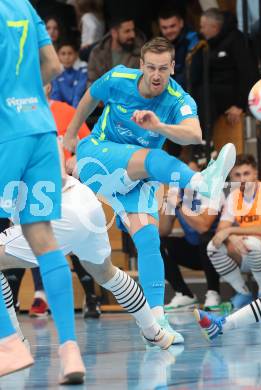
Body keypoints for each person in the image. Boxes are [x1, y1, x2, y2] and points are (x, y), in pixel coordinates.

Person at [64, 37, 237, 344]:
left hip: (139, 176)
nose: (157, 75)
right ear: (141, 66)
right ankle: (200, 183)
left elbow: (194, 134)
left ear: (173, 67)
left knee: (148, 239)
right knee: (154, 158)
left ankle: (155, 325)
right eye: (151, 68)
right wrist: (70, 136)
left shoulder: (176, 98)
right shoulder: (118, 78)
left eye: (163, 68)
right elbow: (91, 97)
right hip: (98, 155)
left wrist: (158, 127)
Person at [0, 0, 84, 382]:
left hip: (6, 135)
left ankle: (9, 343)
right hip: (41, 128)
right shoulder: (23, 6)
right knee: (43, 238)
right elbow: (52, 65)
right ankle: (69, 351)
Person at [0, 174, 176, 350]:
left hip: (57, 212)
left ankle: (15, 345)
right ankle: (154, 331)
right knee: (106, 273)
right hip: (84, 201)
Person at [207, 154, 261, 309]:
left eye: (246, 173)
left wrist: (231, 231)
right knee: (213, 247)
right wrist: (231, 236)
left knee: (250, 243)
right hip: (248, 249)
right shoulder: (233, 196)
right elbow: (221, 229)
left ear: (255, 173)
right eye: (237, 175)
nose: (242, 179)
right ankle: (243, 293)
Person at [160, 162, 221, 312]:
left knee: (205, 238)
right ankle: (184, 294)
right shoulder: (176, 191)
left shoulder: (211, 190)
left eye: (190, 173)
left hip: (218, 253)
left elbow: (203, 227)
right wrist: (168, 207)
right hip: (194, 252)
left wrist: (180, 204)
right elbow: (163, 231)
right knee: (158, 243)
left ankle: (214, 292)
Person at [192, 8, 255, 126]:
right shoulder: (205, 44)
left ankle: (204, 140)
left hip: (232, 93)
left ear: (214, 27)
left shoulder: (237, 40)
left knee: (203, 94)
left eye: (203, 27)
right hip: (212, 93)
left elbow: (247, 73)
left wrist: (239, 105)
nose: (201, 31)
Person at [87, 17, 144, 84]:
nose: (132, 35)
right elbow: (92, 82)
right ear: (114, 33)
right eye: (127, 31)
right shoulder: (97, 53)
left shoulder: (140, 52)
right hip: (102, 93)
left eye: (133, 30)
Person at [158, 7, 199, 88]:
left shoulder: (192, 40)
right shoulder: (160, 44)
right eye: (164, 28)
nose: (169, 31)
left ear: (181, 23)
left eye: (172, 26)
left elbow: (191, 75)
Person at [51, 40, 88, 108]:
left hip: (80, 111)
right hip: (63, 112)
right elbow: (56, 96)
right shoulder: (55, 71)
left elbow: (78, 95)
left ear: (76, 54)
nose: (66, 57)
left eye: (70, 53)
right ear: (58, 55)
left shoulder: (83, 69)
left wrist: (73, 115)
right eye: (63, 54)